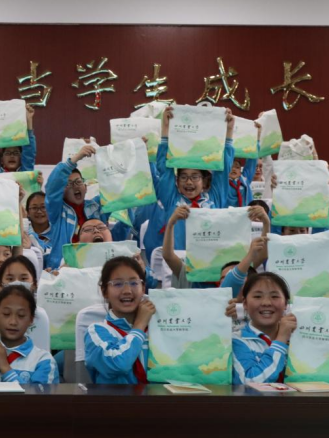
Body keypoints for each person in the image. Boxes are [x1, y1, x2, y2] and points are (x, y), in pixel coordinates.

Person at [143, 106, 235, 255]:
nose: (189, 182)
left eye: (195, 177)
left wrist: (229, 131)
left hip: (207, 261)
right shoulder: (171, 199)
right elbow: (164, 168)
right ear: (177, 180)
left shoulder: (214, 199)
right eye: (184, 177)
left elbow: (223, 170)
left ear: (204, 180)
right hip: (177, 262)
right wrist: (166, 128)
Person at [161, 204, 269, 296]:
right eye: (224, 278)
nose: (227, 281)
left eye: (231, 276)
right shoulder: (191, 276)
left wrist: (266, 222)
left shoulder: (243, 271)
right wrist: (171, 223)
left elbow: (263, 255)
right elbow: (168, 256)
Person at [85, 257, 153, 385]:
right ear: (104, 291)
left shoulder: (158, 328)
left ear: (143, 288)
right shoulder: (96, 331)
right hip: (115, 398)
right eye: (117, 284)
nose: (127, 291)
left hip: (160, 397)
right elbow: (118, 364)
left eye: (134, 283)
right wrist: (140, 325)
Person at [43, 145, 108, 270]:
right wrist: (75, 159)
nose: (75, 186)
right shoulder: (57, 211)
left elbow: (117, 189)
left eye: (78, 182)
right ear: (61, 191)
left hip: (95, 267)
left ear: (85, 187)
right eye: (69, 184)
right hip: (63, 268)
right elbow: (52, 187)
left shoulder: (97, 206)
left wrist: (132, 150)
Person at [232, 272, 295, 385]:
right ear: (245, 303)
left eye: (274, 296)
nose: (266, 303)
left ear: (286, 303)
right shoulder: (236, 340)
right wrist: (281, 340)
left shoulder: (298, 338)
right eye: (257, 296)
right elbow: (250, 383)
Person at [0, 104, 37, 175]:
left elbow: (29, 153)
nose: (12, 156)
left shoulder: (26, 173)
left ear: (21, 159)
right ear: (1, 160)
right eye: (7, 153)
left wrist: (29, 119)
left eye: (16, 153)